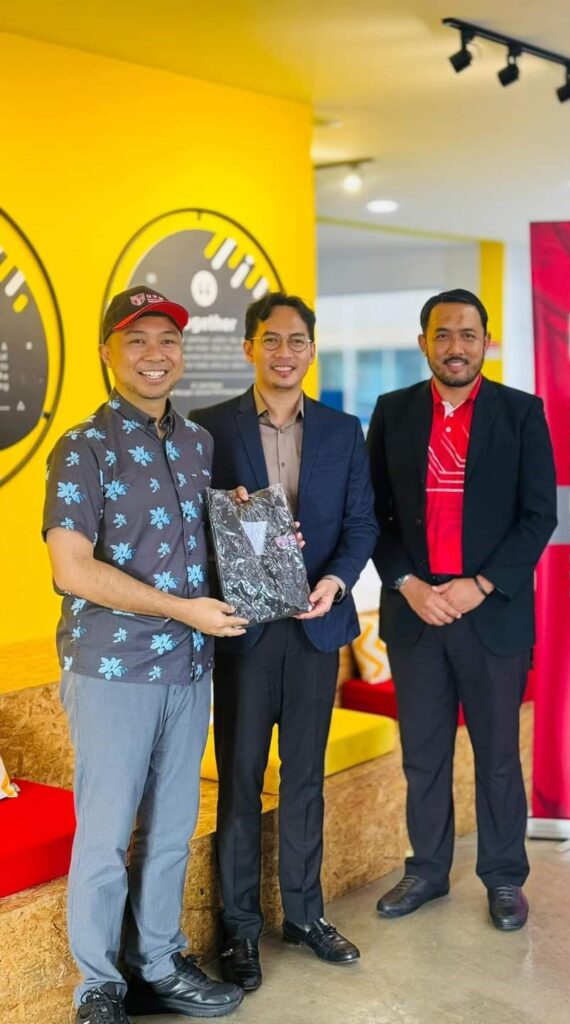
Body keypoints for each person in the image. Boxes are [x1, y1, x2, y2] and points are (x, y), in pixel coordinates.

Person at [43, 286, 248, 1024]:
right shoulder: (82, 446)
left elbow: (192, 549)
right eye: (136, 340)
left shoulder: (197, 444)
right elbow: (73, 570)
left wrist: (247, 531)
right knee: (105, 835)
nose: (154, 354)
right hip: (113, 669)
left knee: (170, 830)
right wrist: (182, 611)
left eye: (167, 339)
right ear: (107, 353)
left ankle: (159, 962)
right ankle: (98, 985)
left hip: (189, 669)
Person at [190, 292, 378, 992]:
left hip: (315, 630)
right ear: (249, 347)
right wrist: (227, 519)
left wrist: (334, 582)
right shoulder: (210, 429)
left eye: (298, 341)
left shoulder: (342, 430)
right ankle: (240, 929)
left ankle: (304, 915)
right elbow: (193, 527)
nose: (285, 352)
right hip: (243, 634)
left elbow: (361, 524)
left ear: (311, 350)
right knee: (240, 782)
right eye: (271, 339)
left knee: (304, 779)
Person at [367, 288, 557, 931]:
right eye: (443, 334)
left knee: (497, 756)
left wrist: (481, 584)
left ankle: (504, 878)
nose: (456, 347)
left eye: (468, 334)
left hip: (491, 614)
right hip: (416, 614)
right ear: (424, 343)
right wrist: (408, 584)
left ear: (486, 342)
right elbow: (373, 515)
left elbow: (539, 515)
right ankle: (427, 870)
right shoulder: (392, 412)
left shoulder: (521, 413)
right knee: (423, 755)